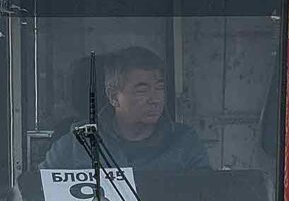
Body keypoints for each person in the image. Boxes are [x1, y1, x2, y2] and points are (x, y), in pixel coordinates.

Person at [42, 46, 209, 176]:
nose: (155, 99)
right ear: (114, 97)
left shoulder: (184, 143)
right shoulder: (78, 144)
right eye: (142, 90)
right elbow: (32, 196)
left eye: (159, 88)